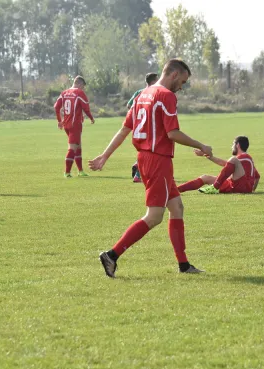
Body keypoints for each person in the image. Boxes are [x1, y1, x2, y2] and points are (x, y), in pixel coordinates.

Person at [89, 59, 213, 278]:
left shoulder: (142, 95)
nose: (181, 87)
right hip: (158, 160)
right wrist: (201, 145)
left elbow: (124, 129)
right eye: (182, 81)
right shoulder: (166, 96)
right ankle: (112, 254)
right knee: (154, 216)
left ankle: (184, 265)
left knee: (177, 207)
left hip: (145, 159)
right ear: (174, 75)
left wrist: (104, 156)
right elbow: (172, 133)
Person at [179, 136, 260, 194]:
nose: (232, 147)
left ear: (237, 145)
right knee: (205, 177)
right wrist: (252, 189)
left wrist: (249, 189)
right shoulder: (247, 160)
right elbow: (257, 176)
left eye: (233, 144)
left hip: (240, 187)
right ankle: (176, 190)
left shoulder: (244, 157)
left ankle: (214, 187)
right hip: (234, 185)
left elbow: (226, 163)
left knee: (233, 159)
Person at [54, 76, 95, 178]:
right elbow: (86, 108)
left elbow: (56, 107)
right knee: (72, 148)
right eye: (83, 87)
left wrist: (59, 121)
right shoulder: (79, 93)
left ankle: (80, 171)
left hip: (67, 124)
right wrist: (91, 118)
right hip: (75, 124)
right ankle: (67, 172)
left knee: (78, 147)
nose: (83, 89)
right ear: (80, 84)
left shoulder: (64, 93)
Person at [128, 72, 158, 183]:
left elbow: (129, 105)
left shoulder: (139, 92)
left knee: (144, 150)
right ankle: (138, 175)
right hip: (149, 127)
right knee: (150, 150)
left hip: (138, 127)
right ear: (153, 81)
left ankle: (139, 167)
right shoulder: (154, 93)